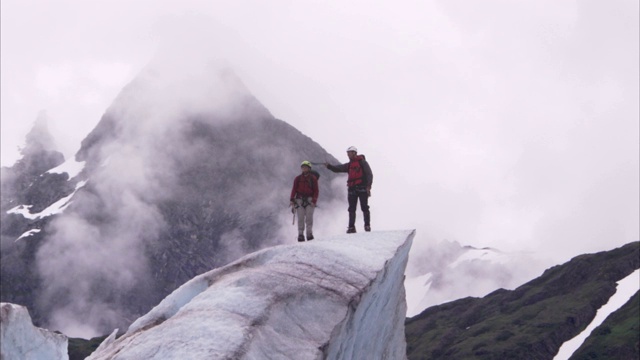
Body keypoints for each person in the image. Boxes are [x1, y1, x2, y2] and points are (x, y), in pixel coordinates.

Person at [325, 146, 373, 233]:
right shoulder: (349, 165)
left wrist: (368, 186)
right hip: (353, 189)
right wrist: (329, 167)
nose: (348, 154)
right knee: (352, 208)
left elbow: (369, 174)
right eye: (348, 153)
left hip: (360, 188)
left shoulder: (362, 163)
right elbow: (338, 168)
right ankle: (353, 227)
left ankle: (366, 225)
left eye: (349, 152)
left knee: (363, 207)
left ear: (354, 153)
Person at [290, 160, 319, 242]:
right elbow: (294, 189)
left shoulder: (313, 179)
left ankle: (309, 234)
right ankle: (300, 235)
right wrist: (292, 199)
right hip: (299, 200)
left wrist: (314, 201)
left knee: (309, 219)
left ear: (309, 168)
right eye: (303, 167)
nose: (304, 168)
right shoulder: (297, 178)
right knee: (301, 218)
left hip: (309, 200)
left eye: (305, 167)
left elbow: (316, 191)